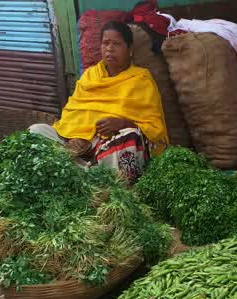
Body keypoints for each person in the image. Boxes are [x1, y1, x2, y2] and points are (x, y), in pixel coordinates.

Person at [30, 21, 168, 185]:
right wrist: (76, 137)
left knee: (129, 138)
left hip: (109, 144)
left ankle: (85, 175)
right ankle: (85, 173)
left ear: (130, 50)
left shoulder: (141, 80)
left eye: (116, 44)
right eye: (105, 43)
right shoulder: (90, 76)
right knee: (36, 131)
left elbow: (154, 127)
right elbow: (73, 112)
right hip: (76, 144)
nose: (109, 48)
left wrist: (122, 122)